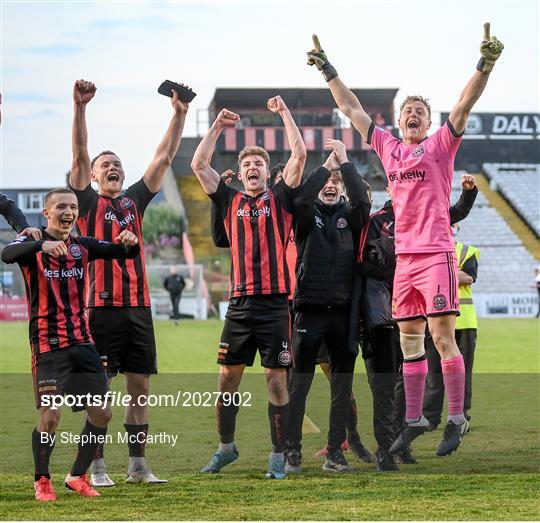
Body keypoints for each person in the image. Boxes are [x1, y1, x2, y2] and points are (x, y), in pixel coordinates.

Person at [307, 24, 503, 456]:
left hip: (435, 253)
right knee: (408, 340)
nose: (412, 115)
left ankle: (456, 418)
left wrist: (484, 63)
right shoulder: (390, 149)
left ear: (430, 122)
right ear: (399, 120)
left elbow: (466, 100)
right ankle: (413, 418)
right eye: (407, 111)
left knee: (441, 337)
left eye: (419, 111)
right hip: (405, 260)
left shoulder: (440, 145)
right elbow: (353, 109)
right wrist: (328, 71)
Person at [69, 79, 189, 486]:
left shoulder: (134, 200)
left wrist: (179, 113)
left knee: (140, 390)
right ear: (93, 176)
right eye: (106, 165)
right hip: (99, 310)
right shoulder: (85, 202)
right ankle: (97, 466)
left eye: (117, 163)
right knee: (99, 394)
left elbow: (164, 156)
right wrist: (80, 108)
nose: (113, 167)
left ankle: (138, 465)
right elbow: (81, 153)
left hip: (138, 310)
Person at [191, 95, 306, 479]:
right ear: (239, 174)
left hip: (275, 305)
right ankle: (226, 448)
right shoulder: (228, 200)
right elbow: (198, 164)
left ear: (266, 171)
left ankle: (278, 454)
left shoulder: (282, 198)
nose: (252, 167)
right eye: (246, 164)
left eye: (258, 163)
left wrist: (284, 113)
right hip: (239, 306)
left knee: (276, 381)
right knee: (227, 379)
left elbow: (300, 154)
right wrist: (218, 127)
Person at [1, 188, 139, 501]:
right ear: (46, 213)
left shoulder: (82, 246)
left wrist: (130, 245)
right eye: (61, 206)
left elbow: (121, 253)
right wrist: (41, 243)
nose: (68, 211)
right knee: (51, 416)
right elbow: (6, 254)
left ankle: (77, 475)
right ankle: (42, 479)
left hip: (83, 342)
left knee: (102, 412)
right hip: (48, 344)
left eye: (73, 206)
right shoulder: (29, 242)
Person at [358, 175, 478, 470]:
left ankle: (439, 422)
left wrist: (469, 192)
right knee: (391, 378)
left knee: (430, 355)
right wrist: (389, 255)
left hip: (425, 291)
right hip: (386, 308)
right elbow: (364, 260)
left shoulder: (428, 209)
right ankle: (396, 437)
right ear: (390, 187)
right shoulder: (378, 220)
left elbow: (456, 211)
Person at [285, 139, 371, 473]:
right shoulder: (307, 217)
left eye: (337, 183)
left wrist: (345, 163)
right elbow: (302, 196)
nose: (332, 186)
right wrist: (325, 167)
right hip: (309, 311)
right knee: (299, 385)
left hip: (344, 316)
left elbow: (362, 198)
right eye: (328, 183)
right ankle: (292, 450)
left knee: (341, 388)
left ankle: (335, 452)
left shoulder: (351, 217)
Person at [423, 223, 480, 433]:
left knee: (463, 372)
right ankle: (430, 417)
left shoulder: (468, 251)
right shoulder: (429, 250)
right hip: (435, 319)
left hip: (464, 322)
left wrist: (441, 271)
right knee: (433, 372)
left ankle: (462, 416)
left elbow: (469, 277)